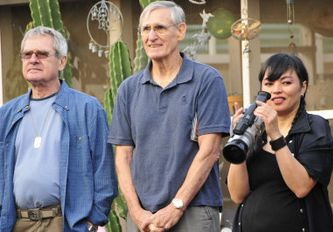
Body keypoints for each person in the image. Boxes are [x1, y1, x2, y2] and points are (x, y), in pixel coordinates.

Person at [108, 1, 231, 232]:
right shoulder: (128, 89)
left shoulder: (206, 81)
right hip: (143, 216)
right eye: (146, 29)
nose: (151, 36)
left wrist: (176, 206)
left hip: (194, 210)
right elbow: (122, 156)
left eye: (160, 28)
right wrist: (135, 211)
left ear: (181, 31)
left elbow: (210, 151)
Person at [0, 26, 117, 232]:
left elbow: (104, 171)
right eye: (27, 54)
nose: (33, 59)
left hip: (66, 223)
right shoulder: (7, 114)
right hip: (17, 222)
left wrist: (91, 223)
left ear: (62, 61)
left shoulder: (87, 109)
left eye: (42, 54)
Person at [227, 53, 333, 232]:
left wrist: (276, 134)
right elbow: (238, 195)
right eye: (269, 84)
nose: (276, 90)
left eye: (286, 83)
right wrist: (239, 140)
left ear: (303, 87)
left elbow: (301, 187)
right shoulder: (255, 132)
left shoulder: (315, 127)